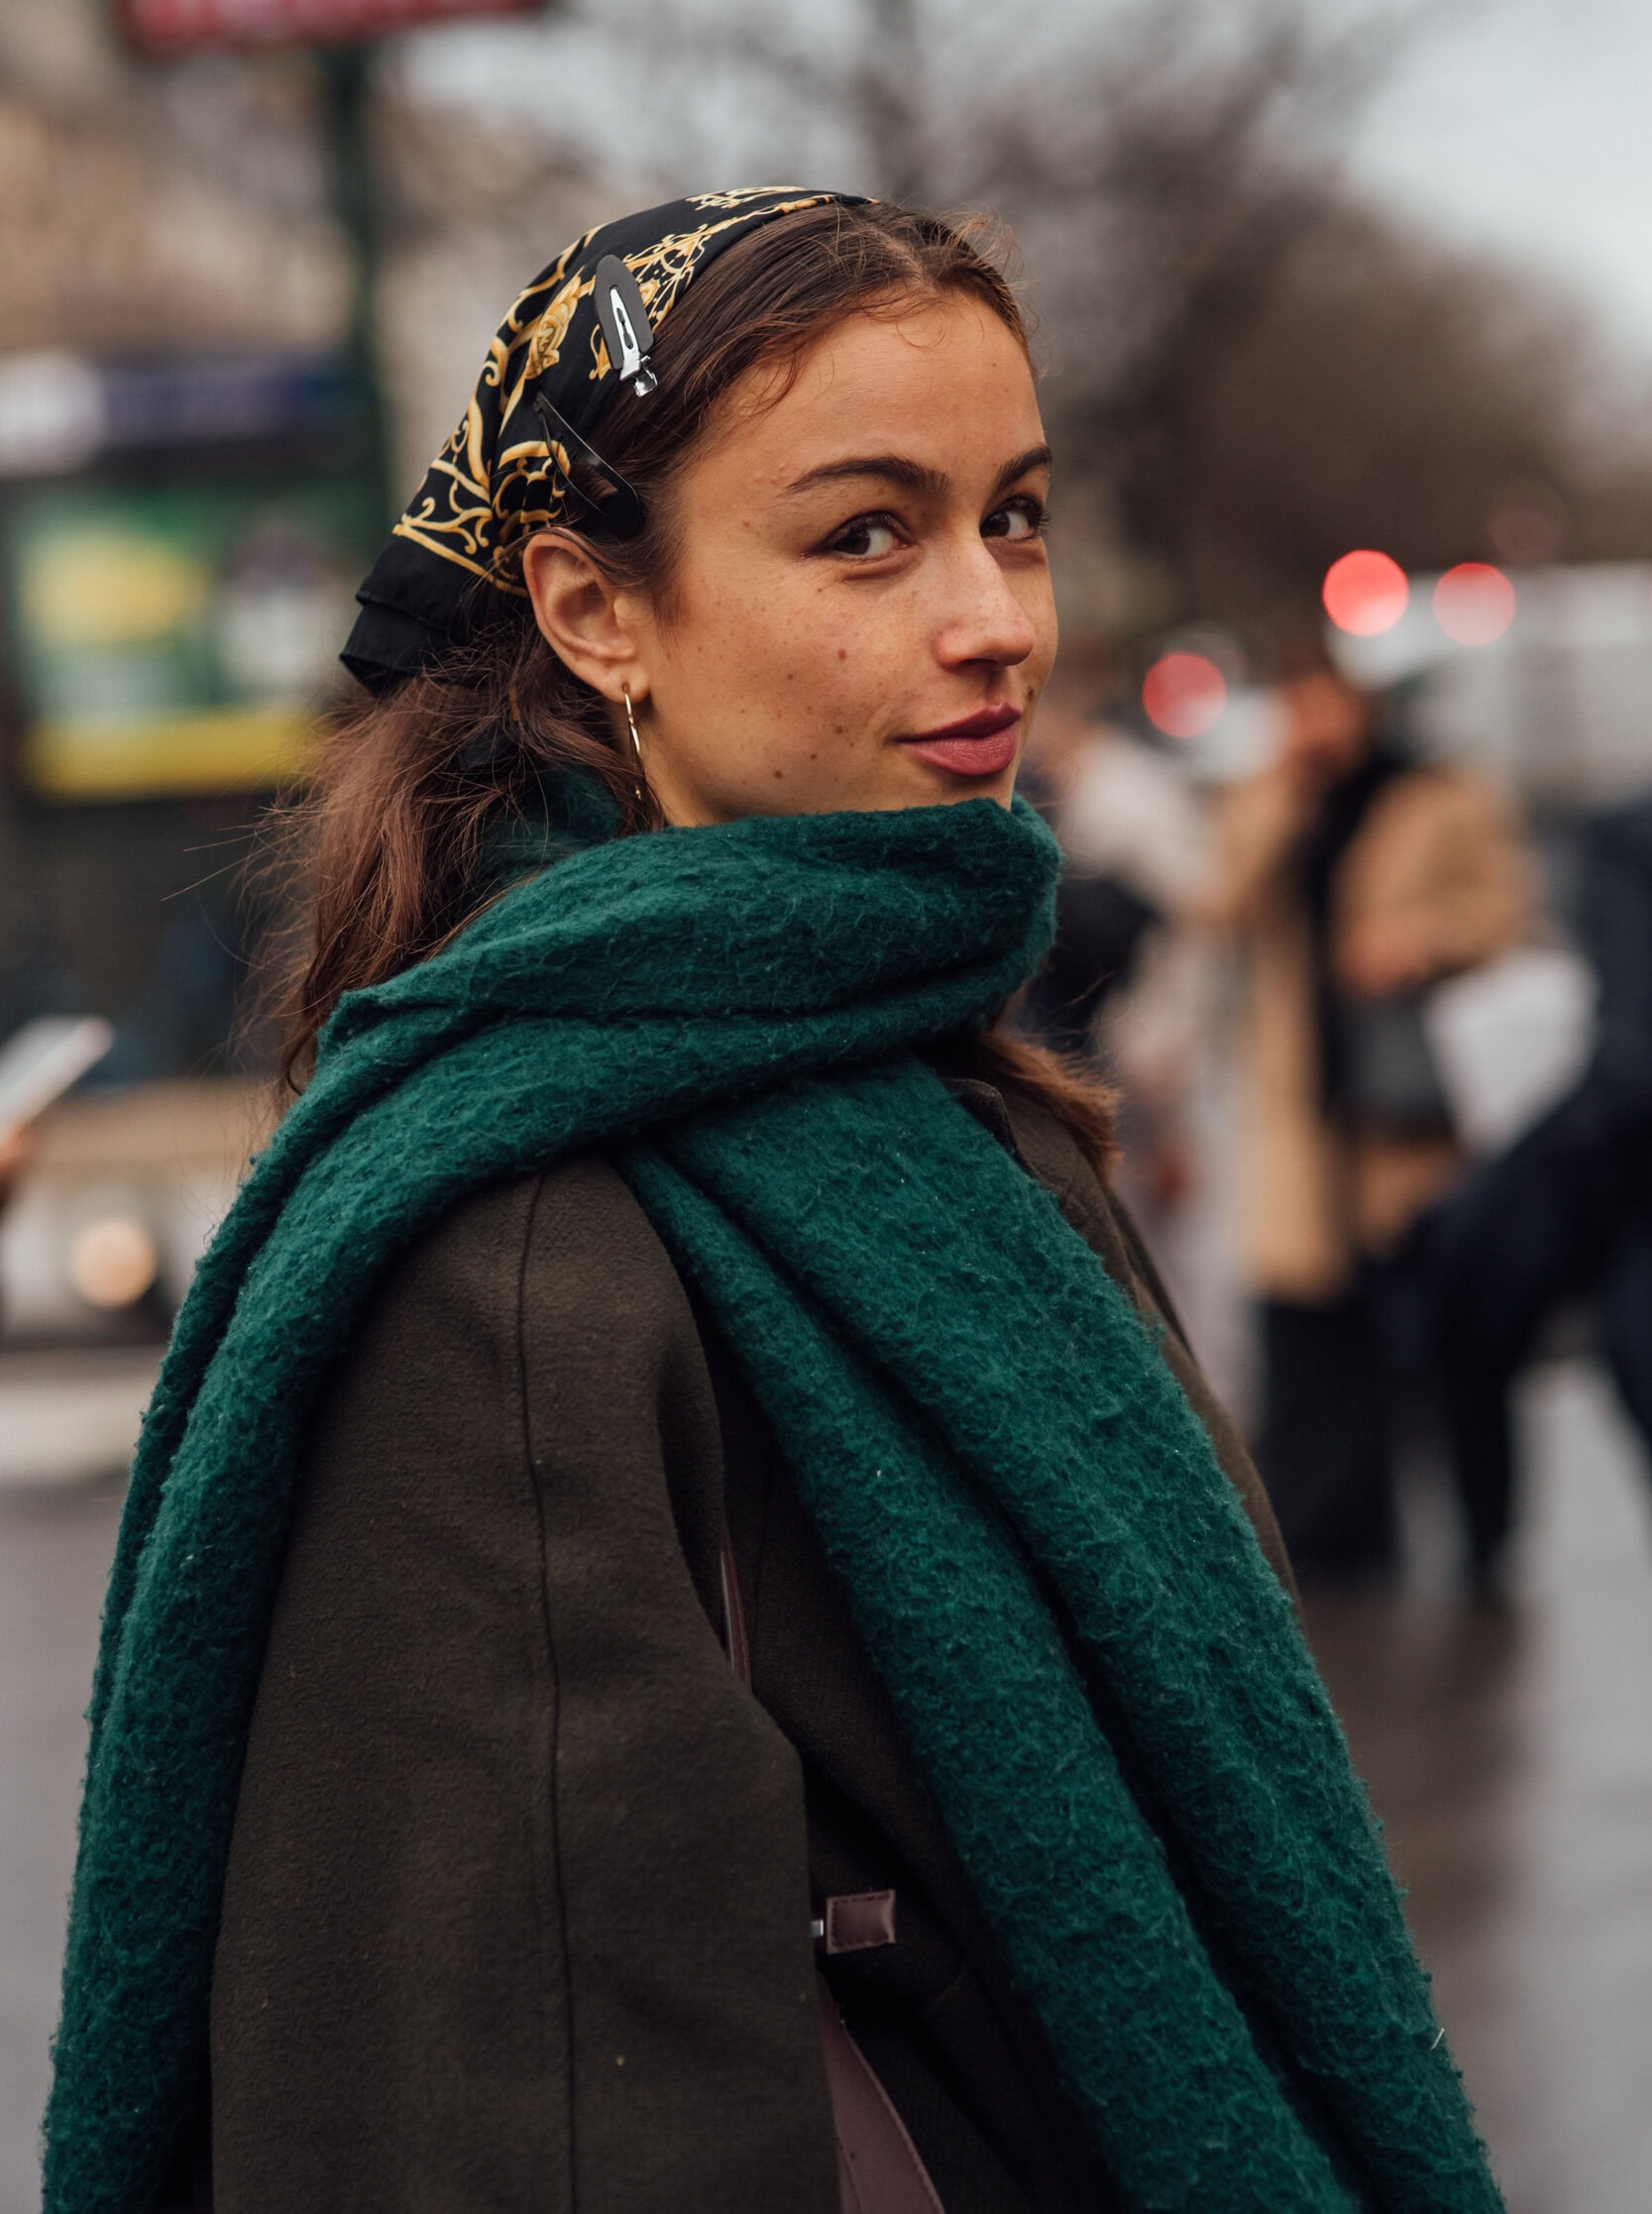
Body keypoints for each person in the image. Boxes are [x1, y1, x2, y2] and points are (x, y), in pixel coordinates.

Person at [47, 195, 1498, 2214]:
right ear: (591, 607)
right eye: (863, 534)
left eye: (1010, 513)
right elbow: (532, 2114)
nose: (991, 614)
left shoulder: (931, 1088)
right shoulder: (520, 1247)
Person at [1205, 658, 1529, 1588]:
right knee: (1310, 1326)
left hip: (1413, 1114)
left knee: (1442, 1327)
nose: (1311, 722)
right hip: (1305, 1111)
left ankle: (1482, 1537)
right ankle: (1339, 1535)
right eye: (1292, 702)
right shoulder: (1273, 801)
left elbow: (1505, 914)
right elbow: (1216, 906)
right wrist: (1281, 794)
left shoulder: (1440, 793)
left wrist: (1418, 943)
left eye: (1324, 700)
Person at [1428, 785, 1652, 1575]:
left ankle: (1485, 1541)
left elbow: (1628, 1061)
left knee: (1468, 1292)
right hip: (1617, 1157)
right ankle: (1485, 1539)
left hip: (1619, 1156)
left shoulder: (1624, 835)